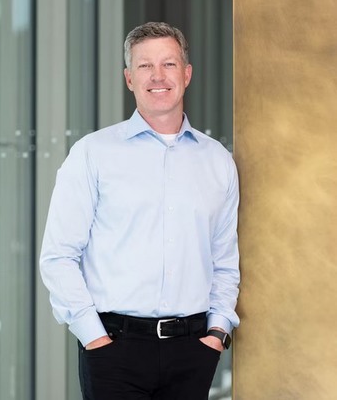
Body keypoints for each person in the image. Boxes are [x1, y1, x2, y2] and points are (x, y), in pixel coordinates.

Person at [39, 21, 240, 399]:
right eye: (145, 66)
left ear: (187, 74)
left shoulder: (218, 161)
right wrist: (93, 336)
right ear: (129, 78)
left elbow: (224, 260)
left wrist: (217, 333)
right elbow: (59, 256)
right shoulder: (92, 154)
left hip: (193, 351)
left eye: (168, 64)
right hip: (113, 350)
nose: (157, 76)